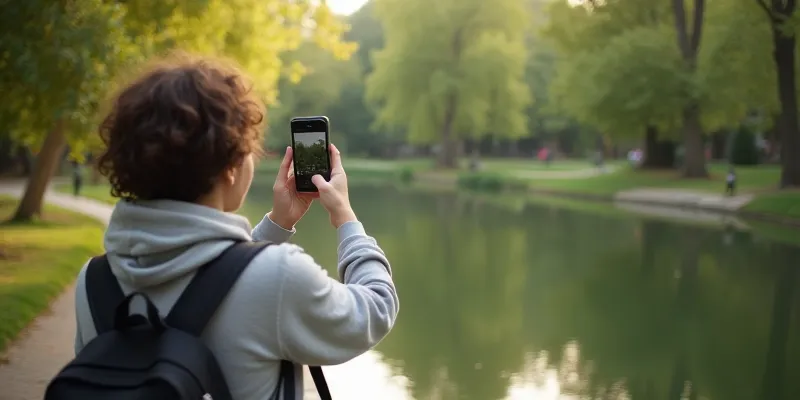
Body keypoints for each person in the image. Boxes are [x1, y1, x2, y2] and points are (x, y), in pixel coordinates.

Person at [72, 56, 399, 399]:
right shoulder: (279, 277)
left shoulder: (93, 282)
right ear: (230, 166)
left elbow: (216, 275)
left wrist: (277, 224)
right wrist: (346, 218)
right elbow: (374, 310)